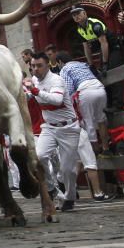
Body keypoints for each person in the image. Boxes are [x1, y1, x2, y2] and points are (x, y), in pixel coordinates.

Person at [23, 53, 80, 211]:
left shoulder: (56, 80)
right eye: (33, 66)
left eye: (39, 65)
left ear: (48, 65)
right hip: (49, 127)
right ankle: (51, 188)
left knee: (68, 169)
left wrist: (34, 91)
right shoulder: (34, 80)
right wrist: (24, 92)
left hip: (68, 128)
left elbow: (56, 100)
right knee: (39, 156)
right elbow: (29, 96)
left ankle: (69, 197)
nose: (36, 69)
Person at [58, 48, 111, 157]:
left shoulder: (64, 69)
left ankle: (94, 152)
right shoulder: (82, 64)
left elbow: (69, 89)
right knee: (101, 119)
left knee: (88, 122)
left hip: (85, 91)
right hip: (99, 88)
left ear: (60, 62)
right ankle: (106, 149)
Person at [70, 6, 116, 71]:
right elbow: (86, 48)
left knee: (111, 67)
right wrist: (91, 65)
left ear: (84, 13)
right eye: (74, 15)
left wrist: (105, 63)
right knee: (100, 69)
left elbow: (104, 43)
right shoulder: (79, 30)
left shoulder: (95, 25)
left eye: (78, 14)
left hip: (113, 46)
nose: (76, 16)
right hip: (101, 48)